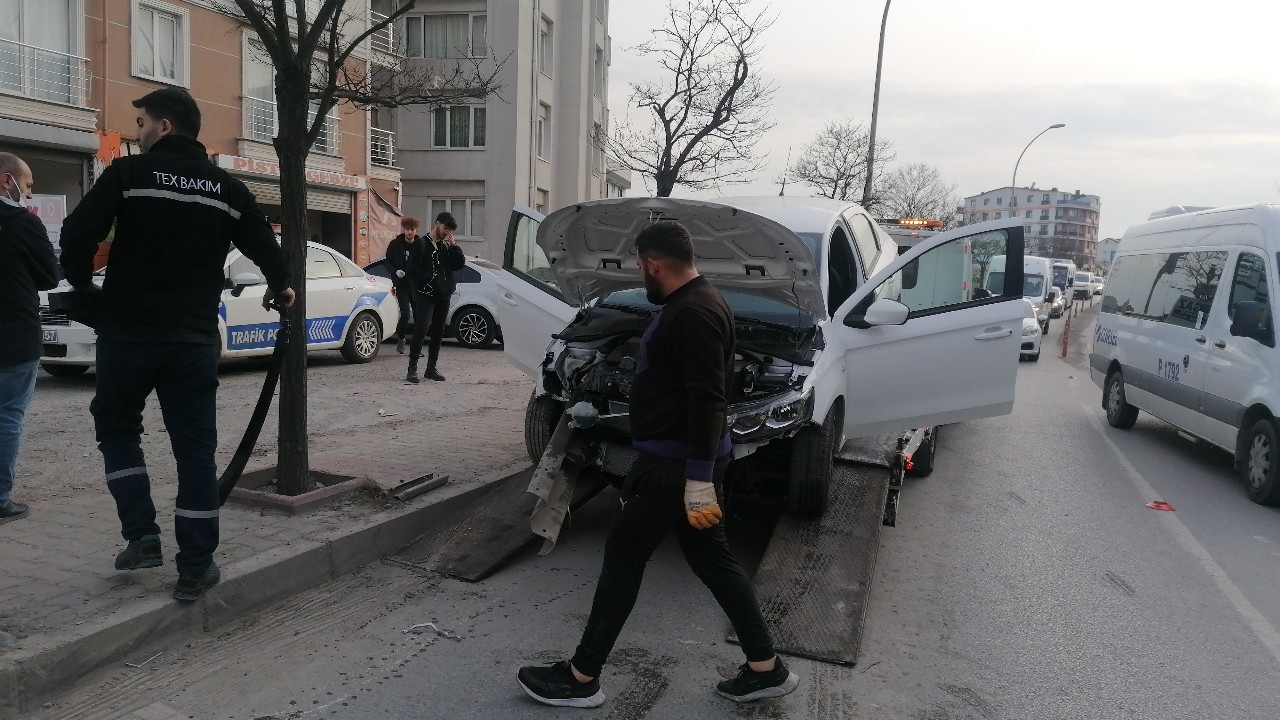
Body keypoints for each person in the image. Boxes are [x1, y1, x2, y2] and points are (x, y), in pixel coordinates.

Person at [516, 221, 800, 708]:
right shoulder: (701, 301)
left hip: (673, 469)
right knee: (714, 561)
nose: (639, 274)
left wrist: (697, 480)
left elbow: (709, 398)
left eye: (639, 266)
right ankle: (765, 668)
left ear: (653, 264)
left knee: (624, 559)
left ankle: (581, 677)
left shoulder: (694, 313)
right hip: (684, 464)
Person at [59, 87, 295, 602]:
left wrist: (80, 283)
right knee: (194, 451)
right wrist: (281, 288)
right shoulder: (227, 188)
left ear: (164, 127)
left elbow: (77, 233)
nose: (138, 132)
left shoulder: (128, 174)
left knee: (117, 429)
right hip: (190, 341)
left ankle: (141, 535)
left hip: (127, 334)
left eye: (142, 123)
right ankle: (195, 568)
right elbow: (266, 247)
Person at [0, 153, 58, 523]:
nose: (29, 194)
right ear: (8, 181)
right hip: (14, 337)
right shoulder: (23, 223)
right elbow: (49, 276)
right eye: (28, 185)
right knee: (7, 416)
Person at [403, 212, 464, 384]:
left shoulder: (446, 246)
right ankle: (412, 369)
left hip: (443, 295)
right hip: (426, 294)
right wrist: (429, 279)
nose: (447, 232)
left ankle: (431, 368)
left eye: (450, 230)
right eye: (445, 228)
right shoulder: (421, 244)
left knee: (438, 331)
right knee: (421, 329)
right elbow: (412, 269)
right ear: (437, 224)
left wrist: (454, 246)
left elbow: (459, 265)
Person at [385, 216, 422, 355]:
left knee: (419, 316)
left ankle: (416, 347)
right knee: (405, 314)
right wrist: (395, 271)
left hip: (416, 285)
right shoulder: (395, 244)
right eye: (407, 229)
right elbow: (388, 262)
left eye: (412, 229)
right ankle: (401, 339)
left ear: (416, 230)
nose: (410, 232)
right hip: (402, 285)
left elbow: (425, 264)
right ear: (403, 230)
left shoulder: (421, 245)